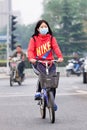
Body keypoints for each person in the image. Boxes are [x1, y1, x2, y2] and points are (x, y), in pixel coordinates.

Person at [27, 20, 63, 110]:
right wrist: (31, 59)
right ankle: (38, 92)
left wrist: (60, 57)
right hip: (38, 62)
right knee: (42, 76)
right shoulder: (34, 39)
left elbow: (56, 48)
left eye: (45, 26)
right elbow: (30, 50)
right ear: (38, 29)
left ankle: (52, 101)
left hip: (50, 62)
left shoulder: (51, 38)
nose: (44, 28)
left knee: (53, 80)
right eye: (42, 27)